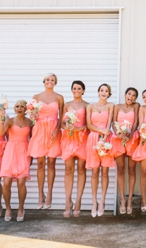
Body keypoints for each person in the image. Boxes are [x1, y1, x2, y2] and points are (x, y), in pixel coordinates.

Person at [28, 73, 64, 209]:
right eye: (48, 80)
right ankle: (40, 194)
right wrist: (32, 115)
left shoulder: (59, 97)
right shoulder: (36, 97)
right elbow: (33, 117)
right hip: (39, 130)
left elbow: (61, 116)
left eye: (52, 80)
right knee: (40, 163)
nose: (50, 82)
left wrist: (57, 130)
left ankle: (49, 194)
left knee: (52, 163)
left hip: (53, 130)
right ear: (44, 81)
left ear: (55, 82)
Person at [0, 100, 32, 222]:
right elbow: (1, 132)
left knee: (21, 182)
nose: (19, 108)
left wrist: (32, 155)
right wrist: (1, 118)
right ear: (14, 109)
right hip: (11, 150)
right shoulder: (10, 120)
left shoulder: (29, 121)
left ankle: (21, 208)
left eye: (22, 106)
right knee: (6, 182)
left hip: (24, 151)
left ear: (26, 109)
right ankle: (8, 208)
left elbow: (32, 139)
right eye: (17, 106)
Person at [85, 83, 115, 217]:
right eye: (102, 90)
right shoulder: (90, 106)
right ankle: (94, 202)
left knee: (105, 172)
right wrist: (99, 130)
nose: (104, 92)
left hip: (106, 138)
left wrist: (105, 133)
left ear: (109, 93)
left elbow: (109, 123)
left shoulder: (110, 106)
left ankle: (102, 201)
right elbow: (88, 124)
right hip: (93, 139)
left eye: (106, 91)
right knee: (95, 172)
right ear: (98, 92)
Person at [60, 81, 89, 218]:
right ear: (71, 90)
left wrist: (78, 128)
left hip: (82, 138)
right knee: (68, 169)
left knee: (81, 169)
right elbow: (61, 121)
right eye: (74, 88)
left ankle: (78, 202)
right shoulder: (67, 105)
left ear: (83, 90)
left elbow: (89, 124)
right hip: (69, 138)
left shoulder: (87, 105)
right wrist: (66, 126)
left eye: (79, 88)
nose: (76, 90)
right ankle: (68, 202)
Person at [111, 87, 140, 215]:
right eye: (129, 94)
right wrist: (118, 133)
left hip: (132, 138)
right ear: (125, 95)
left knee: (132, 169)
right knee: (121, 169)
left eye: (134, 95)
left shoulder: (136, 106)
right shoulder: (117, 107)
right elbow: (113, 122)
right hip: (118, 138)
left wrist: (130, 135)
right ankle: (122, 199)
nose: (131, 97)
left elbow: (136, 122)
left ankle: (130, 200)